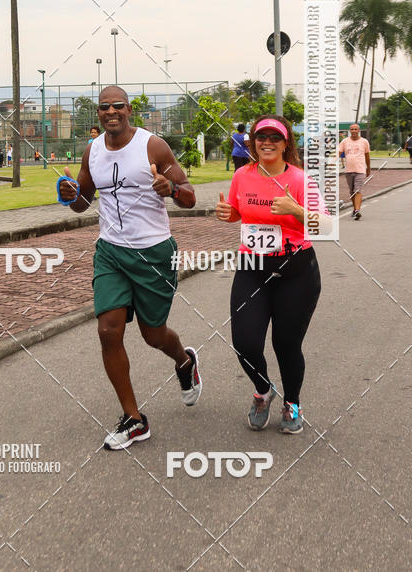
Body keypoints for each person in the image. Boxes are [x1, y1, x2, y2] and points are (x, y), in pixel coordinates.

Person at [57, 86, 201, 450]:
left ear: (129, 110)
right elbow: (83, 201)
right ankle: (134, 419)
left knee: (154, 335)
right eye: (104, 107)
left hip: (153, 253)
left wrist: (170, 188)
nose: (111, 112)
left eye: (117, 106)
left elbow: (189, 195)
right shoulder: (93, 151)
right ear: (99, 114)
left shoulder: (153, 146)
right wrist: (72, 196)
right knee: (108, 331)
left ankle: (184, 361)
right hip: (111, 252)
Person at [215, 115, 329, 435]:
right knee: (246, 342)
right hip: (252, 269)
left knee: (286, 344)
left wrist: (296, 210)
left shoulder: (299, 180)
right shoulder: (242, 176)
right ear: (252, 142)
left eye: (274, 138)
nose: (267, 142)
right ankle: (262, 390)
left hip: (295, 271)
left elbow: (327, 226)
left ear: (286, 143)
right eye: (261, 137)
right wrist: (231, 214)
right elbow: (241, 212)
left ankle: (292, 402)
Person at [339, 123, 371, 220]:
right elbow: (338, 152)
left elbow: (367, 156)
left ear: (359, 130)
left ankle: (357, 210)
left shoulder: (364, 142)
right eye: (352, 129)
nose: (353, 131)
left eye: (355, 129)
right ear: (350, 131)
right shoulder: (345, 141)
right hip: (349, 170)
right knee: (352, 191)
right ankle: (355, 209)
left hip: (360, 170)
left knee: (357, 190)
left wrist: (368, 168)